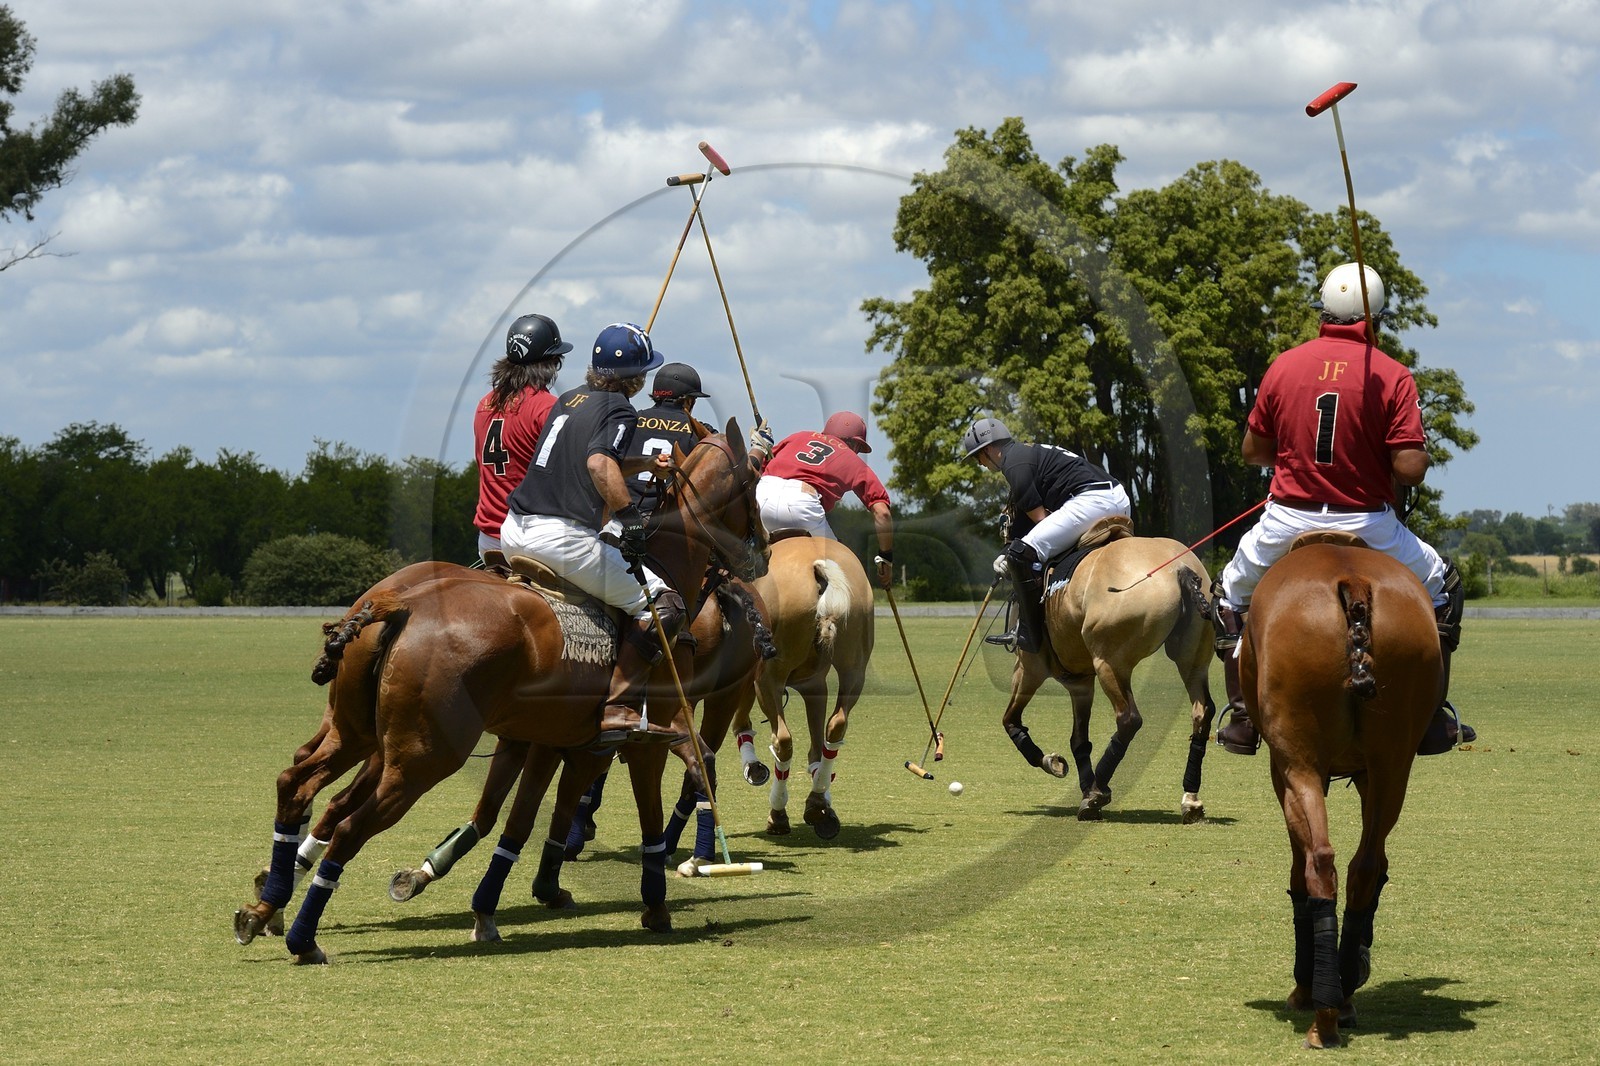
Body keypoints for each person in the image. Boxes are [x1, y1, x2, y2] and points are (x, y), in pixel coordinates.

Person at [1210, 262, 1470, 757]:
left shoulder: (1284, 365)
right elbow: (1410, 469)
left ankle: (1243, 715)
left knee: (1228, 593)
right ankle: (1433, 715)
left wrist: (1296, 454)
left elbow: (1253, 451)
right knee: (1444, 588)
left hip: (1287, 520)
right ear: (1374, 319)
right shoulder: (1391, 373)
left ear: (1323, 312)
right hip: (1368, 524)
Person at [500, 321, 686, 746]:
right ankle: (619, 709)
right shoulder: (621, 409)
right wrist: (629, 518)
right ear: (637, 378)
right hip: (561, 538)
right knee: (665, 603)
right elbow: (599, 465)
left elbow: (598, 457)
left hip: (515, 530)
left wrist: (642, 466)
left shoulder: (568, 399)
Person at [961, 417, 1132, 654]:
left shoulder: (1014, 466)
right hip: (1118, 499)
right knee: (1026, 549)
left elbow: (1040, 522)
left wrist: (1011, 555)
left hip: (1092, 501)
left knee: (1021, 555)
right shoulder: (1024, 454)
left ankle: (1029, 634)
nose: (979, 463)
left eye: (977, 456)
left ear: (989, 449)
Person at [755, 411, 895, 588]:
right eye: (859, 448)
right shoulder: (852, 459)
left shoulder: (798, 437)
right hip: (802, 504)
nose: (857, 453)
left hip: (761, 494)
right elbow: (882, 513)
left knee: (736, 562)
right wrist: (886, 557)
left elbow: (759, 468)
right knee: (844, 573)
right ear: (853, 443)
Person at [472, 313, 571, 559]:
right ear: (551, 363)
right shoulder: (547, 407)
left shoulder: (485, 404)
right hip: (528, 536)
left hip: (488, 539)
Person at [626, 362, 710, 513]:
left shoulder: (631, 419)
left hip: (624, 516)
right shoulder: (700, 431)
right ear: (689, 401)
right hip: (668, 523)